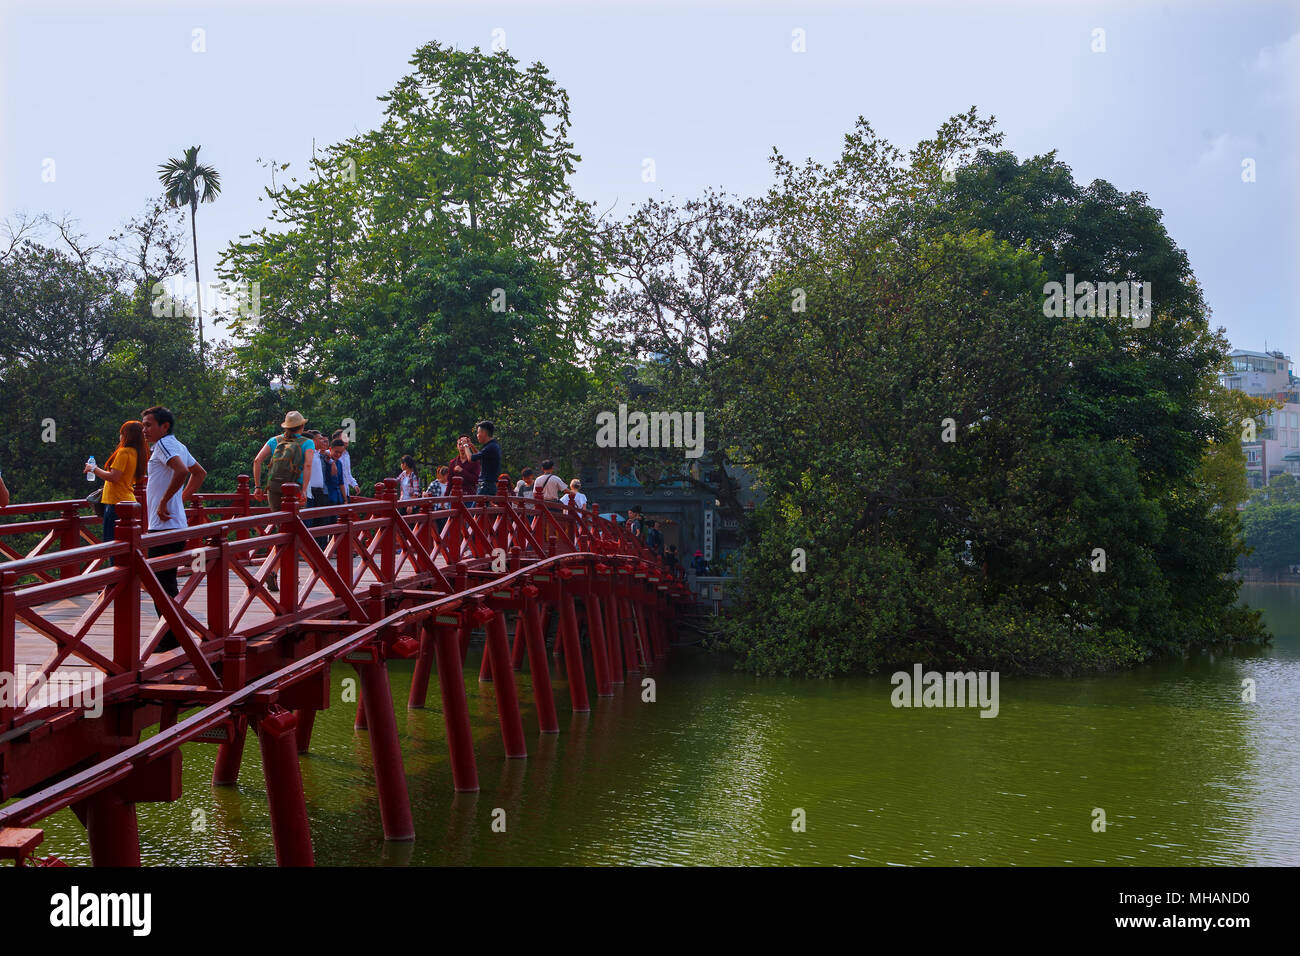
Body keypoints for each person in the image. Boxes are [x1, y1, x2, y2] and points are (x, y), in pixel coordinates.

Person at [141, 406, 206, 652]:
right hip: (172, 525)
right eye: (143, 425)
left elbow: (182, 471)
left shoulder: (164, 445)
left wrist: (166, 500)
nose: (144, 430)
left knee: (161, 584)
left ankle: (170, 637)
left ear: (164, 426)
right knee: (164, 582)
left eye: (148, 425)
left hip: (164, 527)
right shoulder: (177, 444)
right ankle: (173, 633)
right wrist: (178, 498)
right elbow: (199, 473)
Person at [83, 420, 147, 557]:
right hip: (128, 500)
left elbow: (113, 477)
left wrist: (93, 469)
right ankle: (124, 577)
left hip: (116, 502)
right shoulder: (138, 453)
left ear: (127, 435)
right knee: (125, 546)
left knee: (113, 545)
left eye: (121, 433)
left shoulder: (124, 452)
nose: (120, 436)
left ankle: (117, 576)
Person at [253, 411, 315, 513]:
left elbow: (257, 461)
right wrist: (304, 490)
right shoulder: (308, 442)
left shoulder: (274, 440)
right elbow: (308, 465)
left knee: (279, 521)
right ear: (302, 426)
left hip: (274, 487)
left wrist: (258, 487)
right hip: (294, 487)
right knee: (295, 522)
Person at [463, 421, 501, 498]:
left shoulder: (490, 447)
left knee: (475, 509)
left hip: (485, 486)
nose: (477, 435)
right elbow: (480, 457)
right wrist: (472, 446)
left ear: (484, 433)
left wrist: (465, 445)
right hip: (489, 485)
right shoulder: (493, 445)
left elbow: (470, 458)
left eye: (478, 432)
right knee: (481, 509)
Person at [331, 429, 362, 501]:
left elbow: (347, 473)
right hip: (335, 493)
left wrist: (354, 485)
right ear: (337, 439)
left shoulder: (346, 454)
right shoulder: (329, 455)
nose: (347, 439)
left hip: (345, 491)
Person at [324, 439, 347, 505]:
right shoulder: (325, 460)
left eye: (341, 453)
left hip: (338, 497)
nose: (338, 454)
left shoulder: (339, 463)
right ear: (330, 449)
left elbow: (341, 482)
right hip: (326, 497)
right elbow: (321, 451)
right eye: (336, 452)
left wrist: (345, 500)